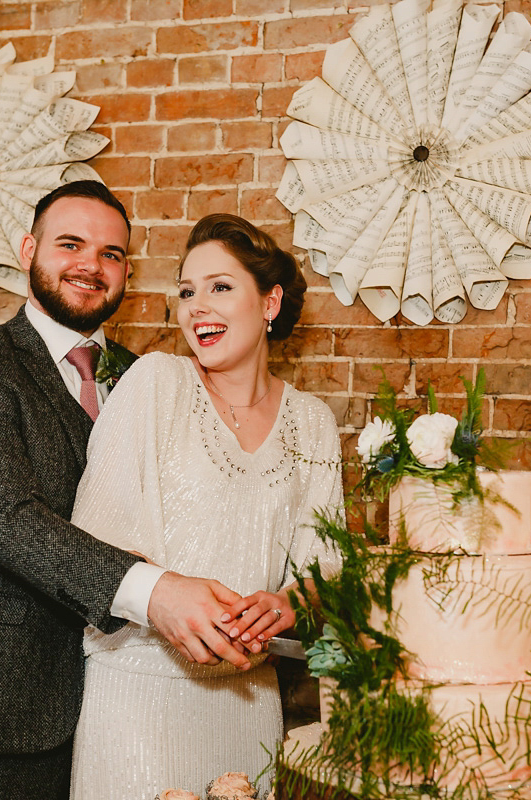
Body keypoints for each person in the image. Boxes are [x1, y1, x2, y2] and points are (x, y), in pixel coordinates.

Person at [0, 182, 253, 800]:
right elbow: (8, 521)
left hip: (133, 706)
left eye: (111, 254)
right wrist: (158, 594)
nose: (91, 266)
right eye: (70, 244)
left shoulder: (153, 378)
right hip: (6, 704)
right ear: (28, 250)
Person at [68, 214, 344, 799]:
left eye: (220, 287)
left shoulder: (313, 423)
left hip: (249, 701)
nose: (197, 307)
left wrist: (290, 603)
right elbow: (90, 550)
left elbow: (326, 571)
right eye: (187, 292)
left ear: (270, 302)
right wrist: (172, 598)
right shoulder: (155, 383)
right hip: (139, 698)